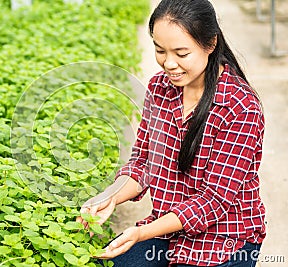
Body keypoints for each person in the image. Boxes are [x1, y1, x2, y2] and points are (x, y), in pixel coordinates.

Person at [76, 0, 266, 266]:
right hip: (168, 229)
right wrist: (111, 197)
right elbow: (143, 162)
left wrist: (141, 233)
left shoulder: (239, 106)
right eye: (160, 50)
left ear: (210, 44)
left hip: (224, 238)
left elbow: (214, 200)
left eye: (181, 53)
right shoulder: (159, 88)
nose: (169, 64)